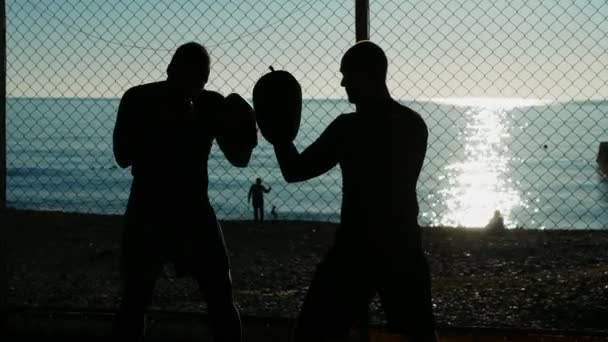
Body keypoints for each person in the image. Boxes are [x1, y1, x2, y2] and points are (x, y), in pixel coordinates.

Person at [270, 41, 438, 341]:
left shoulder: (348, 128)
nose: (342, 81)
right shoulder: (414, 124)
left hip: (355, 248)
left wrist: (279, 135)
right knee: (420, 335)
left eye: (347, 73)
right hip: (402, 245)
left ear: (366, 74)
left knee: (313, 334)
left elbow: (294, 171)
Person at [112, 42, 253, 342]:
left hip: (160, 209)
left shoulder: (142, 98)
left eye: (197, 79)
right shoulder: (143, 100)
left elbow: (239, 157)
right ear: (170, 71)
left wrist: (244, 126)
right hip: (175, 211)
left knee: (139, 301)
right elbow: (122, 155)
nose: (191, 86)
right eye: (187, 77)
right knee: (213, 299)